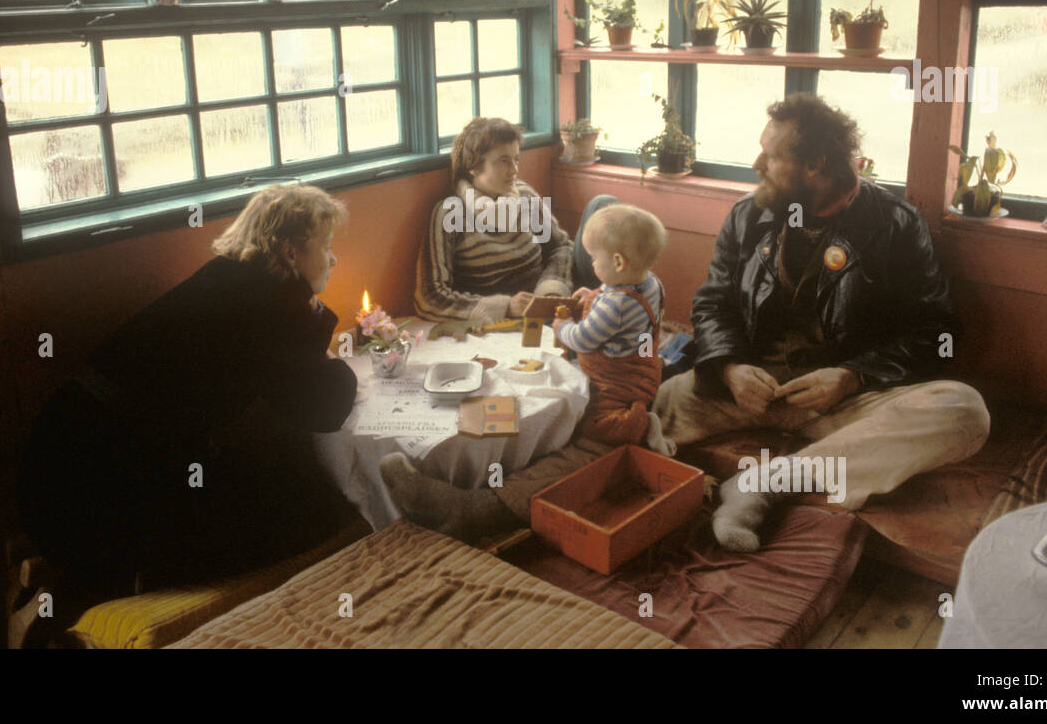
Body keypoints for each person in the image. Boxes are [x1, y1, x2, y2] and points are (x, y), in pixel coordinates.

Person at [654, 93, 991, 552]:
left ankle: (762, 485)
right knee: (651, 401)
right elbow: (713, 303)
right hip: (754, 393)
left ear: (814, 165)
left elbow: (940, 333)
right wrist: (729, 367)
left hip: (850, 403)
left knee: (964, 412)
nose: (756, 164)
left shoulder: (896, 224)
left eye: (770, 156)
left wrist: (854, 376)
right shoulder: (748, 215)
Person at [17, 184, 358, 597]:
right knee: (320, 512)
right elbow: (322, 410)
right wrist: (323, 329)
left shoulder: (227, 276)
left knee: (272, 483)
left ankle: (112, 566)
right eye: (326, 245)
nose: (334, 258)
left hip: (60, 468)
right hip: (102, 490)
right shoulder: (267, 305)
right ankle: (129, 575)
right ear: (291, 253)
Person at [414, 116, 612, 323]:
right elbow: (429, 297)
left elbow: (560, 247)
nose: (515, 170)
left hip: (552, 297)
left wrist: (550, 289)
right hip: (506, 319)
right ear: (473, 166)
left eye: (516, 159)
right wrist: (506, 307)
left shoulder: (524, 196)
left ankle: (623, 299)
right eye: (503, 161)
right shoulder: (450, 213)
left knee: (603, 205)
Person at [552, 203, 674, 451]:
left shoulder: (615, 307)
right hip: (644, 360)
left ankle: (640, 426)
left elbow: (583, 339)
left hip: (617, 375)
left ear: (618, 262)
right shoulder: (651, 282)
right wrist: (595, 295)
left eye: (594, 257)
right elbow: (615, 291)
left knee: (594, 423)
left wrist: (562, 327)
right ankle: (639, 407)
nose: (592, 263)